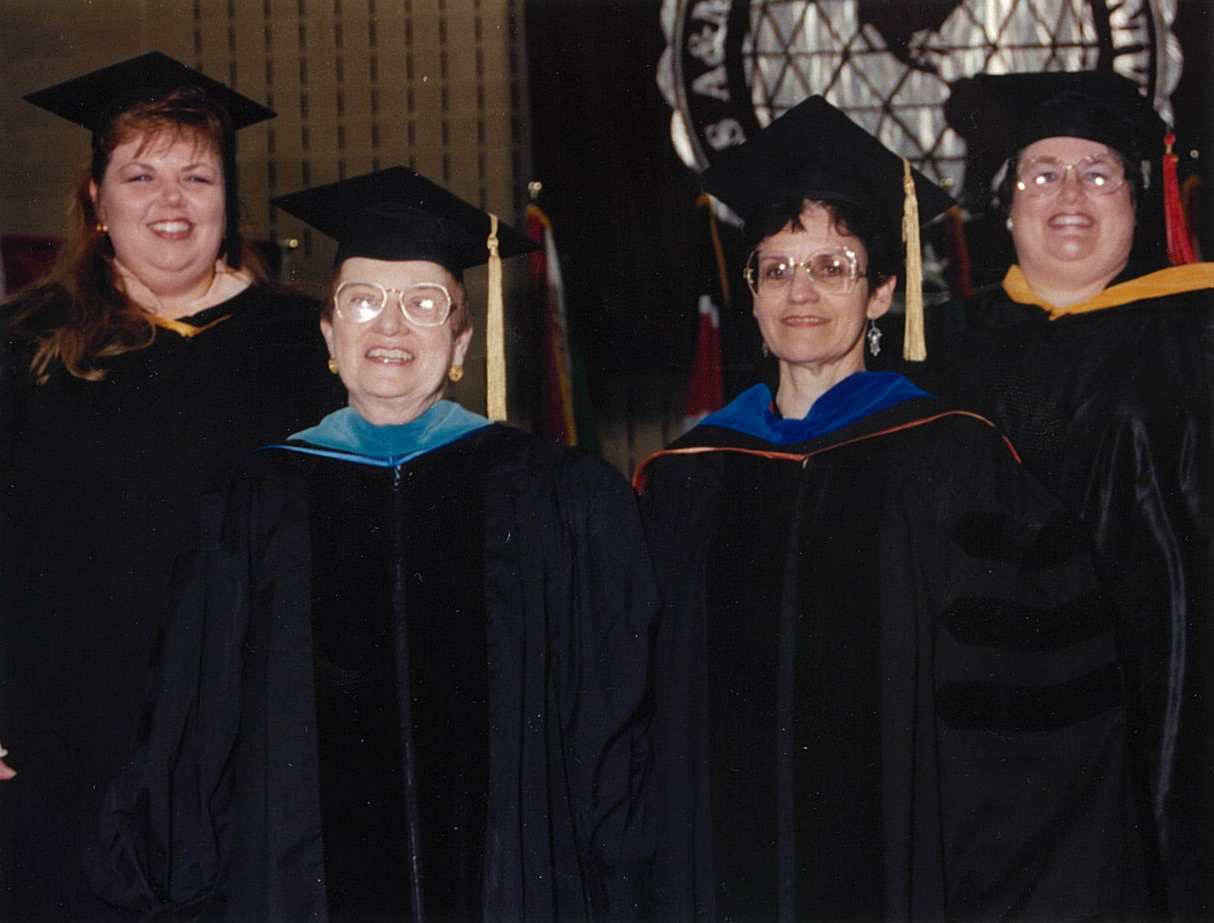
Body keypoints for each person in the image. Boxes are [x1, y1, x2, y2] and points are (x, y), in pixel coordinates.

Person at [84, 166, 658, 923]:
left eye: (424, 304)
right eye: (362, 301)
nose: (390, 326)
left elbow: (610, 728)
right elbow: (196, 732)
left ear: (460, 342)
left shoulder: (554, 494)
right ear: (329, 337)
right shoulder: (256, 503)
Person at [635, 96, 1142, 922]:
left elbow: (1036, 735)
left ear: (880, 294)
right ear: (753, 298)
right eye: (777, 268)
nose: (802, 293)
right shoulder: (688, 479)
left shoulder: (953, 459)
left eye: (834, 266)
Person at [0, 53, 337, 921]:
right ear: (96, 199)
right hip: (57, 744)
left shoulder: (308, 344)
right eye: (140, 175)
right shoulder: (23, 342)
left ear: (229, 198)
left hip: (253, 745)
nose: (171, 200)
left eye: (197, 174)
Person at [876, 71, 1214, 920]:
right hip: (983, 748)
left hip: (1167, 724)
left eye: (1098, 172)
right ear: (1008, 202)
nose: (1070, 194)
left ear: (1139, 201)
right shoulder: (937, 353)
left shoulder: (1198, 334)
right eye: (1043, 172)